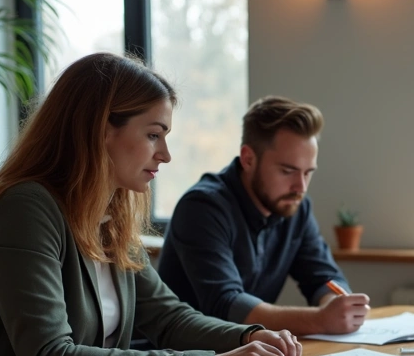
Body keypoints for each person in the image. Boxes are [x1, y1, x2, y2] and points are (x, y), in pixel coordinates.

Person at [0, 53, 302, 356]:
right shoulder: (25, 210)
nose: (164, 154)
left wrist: (249, 337)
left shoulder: (111, 216)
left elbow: (168, 318)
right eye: (153, 135)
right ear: (101, 130)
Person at [158, 96, 370, 336]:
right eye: (287, 171)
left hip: (247, 355)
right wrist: (321, 320)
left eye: (308, 173)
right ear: (248, 159)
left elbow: (324, 277)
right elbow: (226, 305)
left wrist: (335, 304)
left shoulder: (295, 207)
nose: (300, 187)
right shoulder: (201, 207)